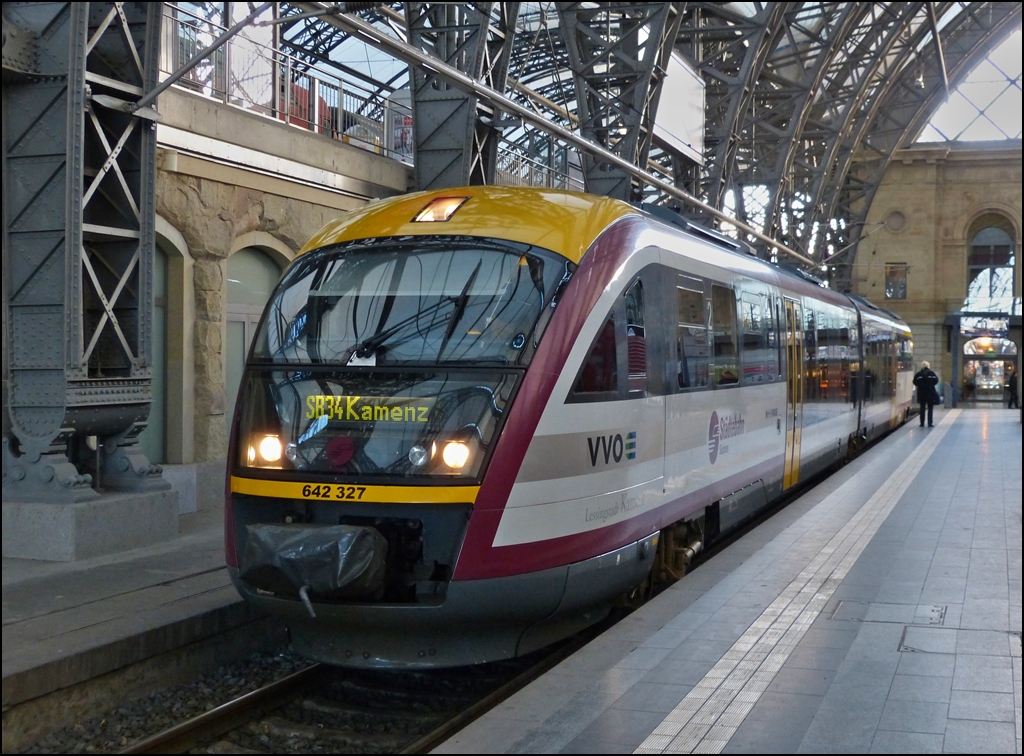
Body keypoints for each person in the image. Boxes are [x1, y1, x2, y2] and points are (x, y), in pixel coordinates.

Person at [913, 360, 940, 427]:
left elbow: (914, 382)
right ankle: (930, 423)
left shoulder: (918, 374)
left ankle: (922, 423)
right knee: (930, 408)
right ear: (928, 366)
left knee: (922, 408)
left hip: (922, 394)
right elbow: (936, 381)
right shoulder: (932, 374)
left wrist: (921, 385)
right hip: (930, 393)